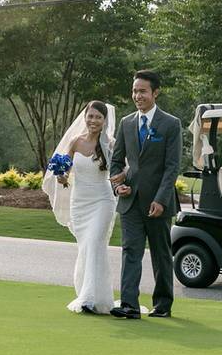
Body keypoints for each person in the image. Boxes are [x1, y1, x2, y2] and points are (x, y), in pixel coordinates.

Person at [109, 70, 182, 319]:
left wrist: (161, 199)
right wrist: (118, 186)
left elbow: (172, 167)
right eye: (134, 91)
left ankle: (162, 305)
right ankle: (129, 305)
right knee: (131, 251)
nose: (137, 96)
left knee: (161, 254)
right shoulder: (126, 123)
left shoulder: (171, 124)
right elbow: (116, 162)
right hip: (130, 201)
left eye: (142, 91)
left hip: (158, 203)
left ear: (155, 92)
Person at [42, 100, 117, 314]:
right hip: (80, 202)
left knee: (94, 243)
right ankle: (96, 295)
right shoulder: (75, 142)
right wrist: (61, 177)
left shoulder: (110, 144)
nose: (93, 121)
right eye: (90, 116)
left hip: (102, 201)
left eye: (98, 117)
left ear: (104, 121)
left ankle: (89, 298)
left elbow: (122, 170)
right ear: (85, 118)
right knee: (86, 247)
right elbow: (64, 173)